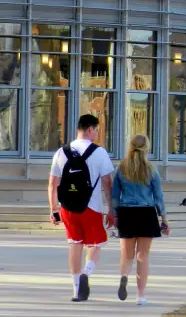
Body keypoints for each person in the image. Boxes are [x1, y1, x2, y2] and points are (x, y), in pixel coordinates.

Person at [47, 114, 115, 303]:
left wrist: (54, 210)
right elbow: (108, 183)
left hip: (67, 208)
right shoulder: (99, 152)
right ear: (90, 129)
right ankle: (87, 272)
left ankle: (76, 290)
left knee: (74, 244)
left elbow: (53, 184)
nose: (97, 135)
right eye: (97, 131)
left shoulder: (61, 152)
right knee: (95, 244)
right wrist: (111, 209)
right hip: (91, 207)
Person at [112, 135, 168, 306]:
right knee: (142, 256)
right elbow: (158, 197)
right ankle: (140, 295)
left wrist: (115, 215)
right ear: (147, 149)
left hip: (126, 213)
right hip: (146, 213)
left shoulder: (121, 168)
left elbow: (115, 196)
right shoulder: (152, 169)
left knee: (126, 254)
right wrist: (164, 219)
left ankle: (123, 277)